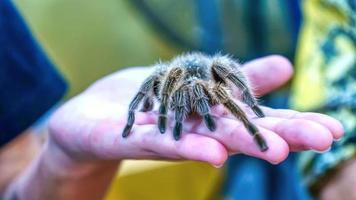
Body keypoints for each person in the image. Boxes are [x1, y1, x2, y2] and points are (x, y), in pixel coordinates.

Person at [0, 0, 344, 199]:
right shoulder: (167, 80)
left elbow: (12, 181)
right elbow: (155, 85)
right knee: (174, 80)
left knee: (220, 71)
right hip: (178, 74)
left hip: (203, 70)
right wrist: (148, 116)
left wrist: (65, 161)